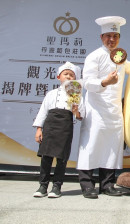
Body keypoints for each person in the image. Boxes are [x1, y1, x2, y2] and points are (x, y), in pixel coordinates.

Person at [76, 16, 127, 199]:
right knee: (91, 145)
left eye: (115, 36)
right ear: (101, 37)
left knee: (112, 147)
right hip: (96, 109)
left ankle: (107, 185)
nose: (111, 39)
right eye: (108, 36)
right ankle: (87, 185)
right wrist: (105, 82)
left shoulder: (121, 57)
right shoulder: (94, 56)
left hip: (114, 111)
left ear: (119, 38)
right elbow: (88, 82)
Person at [32, 62, 84, 198]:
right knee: (46, 157)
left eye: (72, 75)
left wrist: (76, 111)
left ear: (75, 79)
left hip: (65, 126)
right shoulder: (51, 93)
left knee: (62, 158)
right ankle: (43, 186)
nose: (68, 77)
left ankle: (57, 187)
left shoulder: (76, 94)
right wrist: (39, 129)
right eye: (65, 74)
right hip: (50, 125)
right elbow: (43, 111)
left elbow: (80, 116)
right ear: (58, 77)